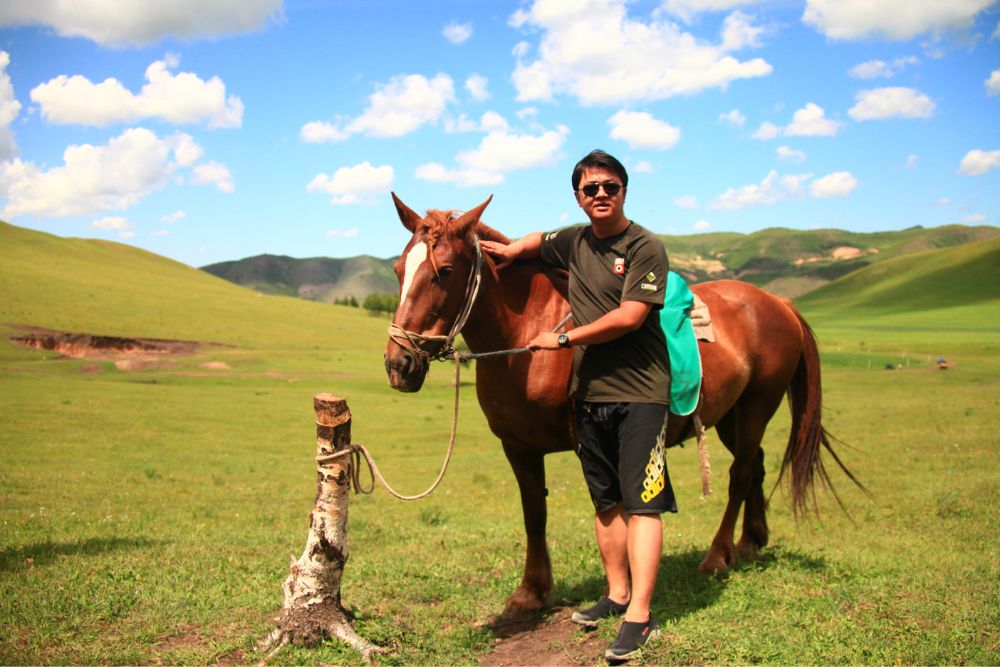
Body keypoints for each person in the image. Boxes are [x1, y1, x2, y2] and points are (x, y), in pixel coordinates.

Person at [481, 149, 675, 663]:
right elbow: (530, 242)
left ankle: (640, 615)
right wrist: (497, 250)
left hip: (641, 393)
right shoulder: (572, 239)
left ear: (624, 190)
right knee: (606, 501)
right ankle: (616, 595)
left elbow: (630, 317)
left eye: (609, 186)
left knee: (643, 504)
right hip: (588, 396)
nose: (600, 195)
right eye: (590, 189)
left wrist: (562, 342)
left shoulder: (644, 247)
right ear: (578, 196)